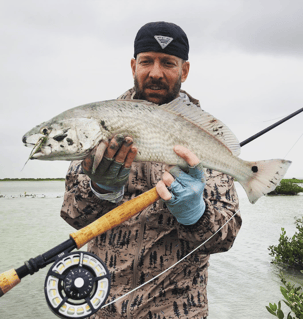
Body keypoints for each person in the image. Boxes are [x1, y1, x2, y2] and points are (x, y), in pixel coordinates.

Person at [61, 21, 242, 319]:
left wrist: (197, 215)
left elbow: (226, 236)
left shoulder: (204, 135)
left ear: (184, 70)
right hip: (100, 306)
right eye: (147, 61)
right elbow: (73, 214)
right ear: (133, 65)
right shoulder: (101, 124)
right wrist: (100, 190)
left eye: (168, 63)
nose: (156, 73)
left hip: (180, 310)